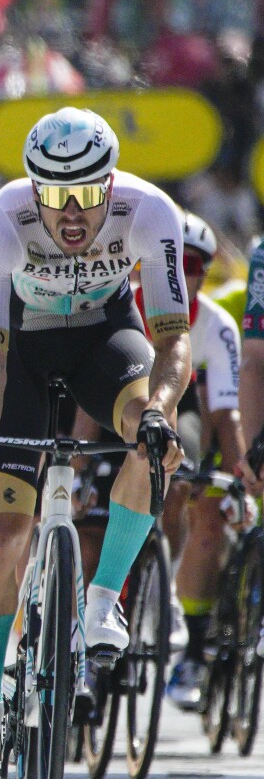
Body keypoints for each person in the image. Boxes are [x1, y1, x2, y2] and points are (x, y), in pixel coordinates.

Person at [0, 108, 189, 773]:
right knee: (0, 537)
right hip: (20, 351)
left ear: (112, 183)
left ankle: (104, 598)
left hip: (103, 336)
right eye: (56, 198)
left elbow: (172, 340)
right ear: (32, 191)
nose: (74, 212)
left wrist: (161, 411)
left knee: (149, 438)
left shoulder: (151, 211)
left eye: (89, 193)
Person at [160, 212, 252, 709]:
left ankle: (194, 645)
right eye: (168, 261)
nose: (180, 272)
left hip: (199, 421)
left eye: (192, 264)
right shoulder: (124, 307)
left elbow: (224, 411)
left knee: (209, 520)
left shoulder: (215, 325)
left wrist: (237, 476)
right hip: (133, 411)